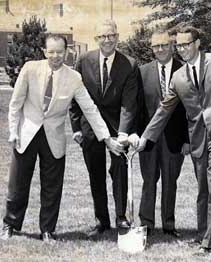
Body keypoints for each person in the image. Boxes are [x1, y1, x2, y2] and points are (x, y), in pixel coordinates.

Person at [136, 25, 211, 253]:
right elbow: (163, 110)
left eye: (187, 44)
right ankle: (202, 234)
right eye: (179, 45)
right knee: (203, 190)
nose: (182, 49)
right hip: (198, 140)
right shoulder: (178, 77)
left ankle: (210, 243)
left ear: (197, 44)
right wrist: (145, 138)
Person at [1, 35, 119, 242]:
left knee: (52, 187)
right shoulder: (30, 69)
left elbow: (89, 109)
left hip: (53, 137)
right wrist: (13, 131)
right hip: (26, 133)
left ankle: (48, 229)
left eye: (60, 51)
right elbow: (15, 103)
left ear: (67, 51)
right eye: (51, 51)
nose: (55, 56)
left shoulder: (73, 77)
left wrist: (106, 137)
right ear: (44, 51)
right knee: (18, 184)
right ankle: (10, 225)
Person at [69, 20, 138, 237]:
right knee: (95, 174)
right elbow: (75, 97)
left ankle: (121, 218)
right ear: (96, 39)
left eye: (111, 36)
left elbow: (129, 103)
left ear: (118, 37)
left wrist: (124, 134)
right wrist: (76, 128)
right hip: (89, 128)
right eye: (103, 36)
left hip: (118, 127)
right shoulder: (83, 60)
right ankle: (101, 221)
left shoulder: (129, 64)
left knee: (119, 170)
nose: (107, 40)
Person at [135, 31, 189, 237]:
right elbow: (137, 107)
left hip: (174, 140)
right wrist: (136, 136)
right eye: (156, 46)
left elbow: (190, 110)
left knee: (170, 182)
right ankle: (146, 223)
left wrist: (187, 140)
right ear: (151, 48)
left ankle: (168, 225)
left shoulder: (184, 71)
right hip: (148, 139)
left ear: (172, 46)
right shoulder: (142, 72)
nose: (160, 49)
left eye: (164, 45)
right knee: (149, 181)